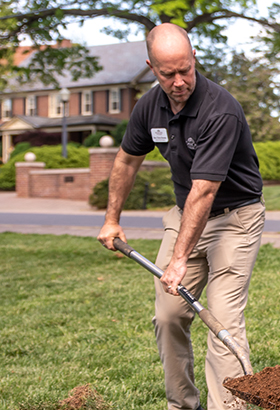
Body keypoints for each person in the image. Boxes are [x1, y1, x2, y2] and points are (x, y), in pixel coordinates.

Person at [97, 23, 265, 410]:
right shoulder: (149, 106)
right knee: (169, 316)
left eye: (185, 69)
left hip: (235, 218)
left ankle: (228, 407)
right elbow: (125, 161)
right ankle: (182, 405)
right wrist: (112, 218)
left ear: (195, 59)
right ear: (151, 67)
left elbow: (204, 192)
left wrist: (177, 260)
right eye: (168, 73)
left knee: (222, 321)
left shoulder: (219, 110)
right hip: (184, 214)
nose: (179, 81)